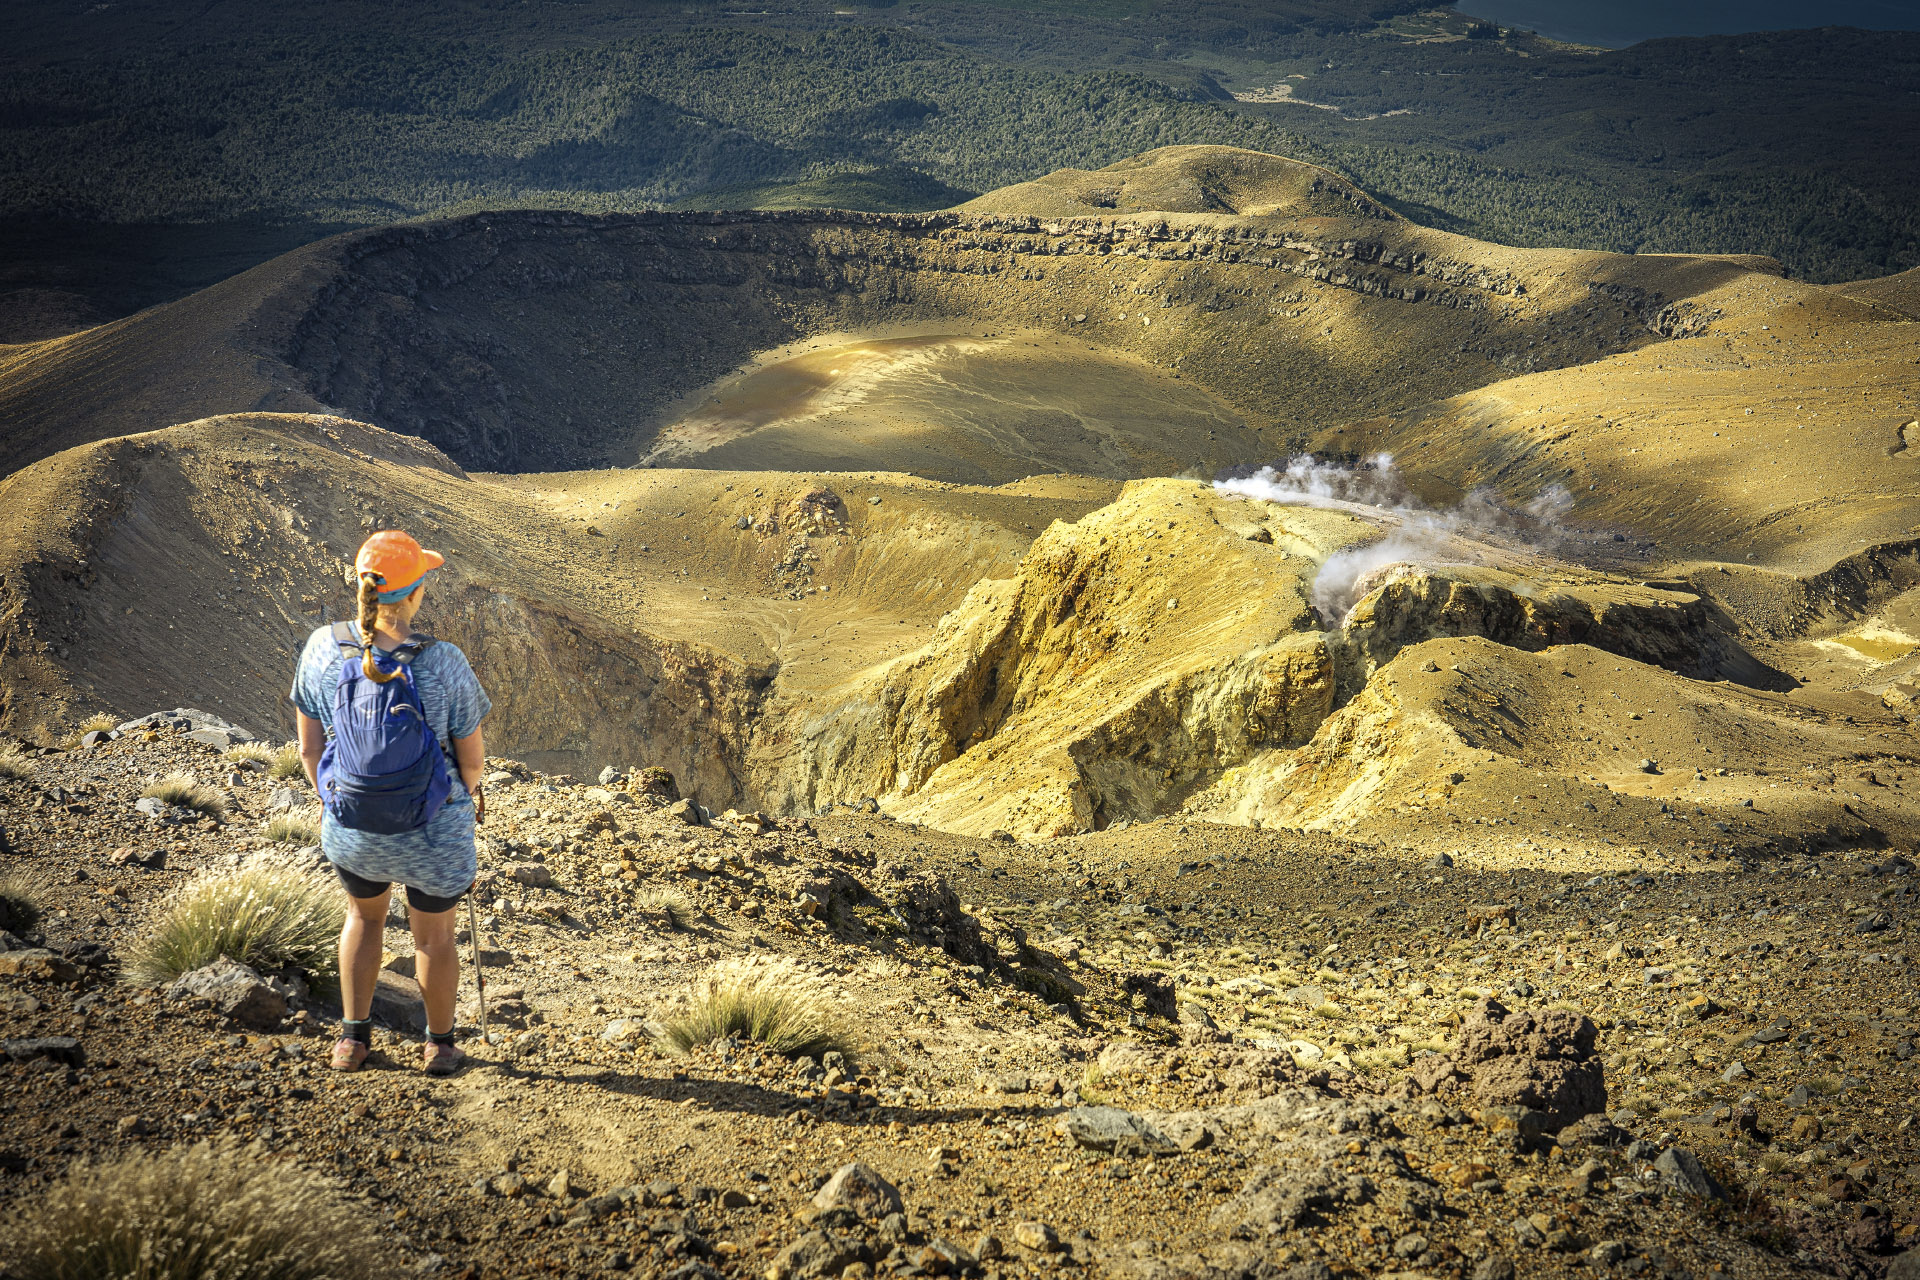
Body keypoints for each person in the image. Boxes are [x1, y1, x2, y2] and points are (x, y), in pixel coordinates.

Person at [290, 530, 491, 1076]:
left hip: (353, 829)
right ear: (416, 593)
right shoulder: (443, 661)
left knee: (362, 918)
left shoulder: (322, 648)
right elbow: (470, 762)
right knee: (435, 936)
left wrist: (337, 801)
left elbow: (310, 748)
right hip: (434, 829)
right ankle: (440, 1045)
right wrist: (461, 800)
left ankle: (352, 1041)